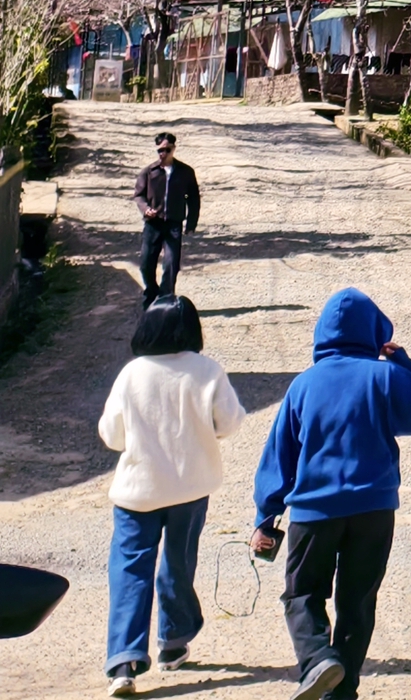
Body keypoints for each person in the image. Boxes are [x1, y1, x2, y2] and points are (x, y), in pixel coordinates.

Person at [250, 289, 411, 700]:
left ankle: (318, 660)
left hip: (314, 511)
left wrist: (267, 514)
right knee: (358, 601)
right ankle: (342, 689)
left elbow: (280, 453)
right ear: (374, 332)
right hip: (374, 508)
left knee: (303, 593)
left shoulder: (304, 385)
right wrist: (402, 363)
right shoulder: (384, 377)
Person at [98, 296, 243, 695]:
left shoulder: (132, 375)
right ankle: (173, 642)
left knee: (130, 570)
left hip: (137, 492)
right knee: (177, 563)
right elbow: (229, 422)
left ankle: (123, 661)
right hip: (190, 488)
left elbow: (112, 435)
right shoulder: (207, 371)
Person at [131, 133, 200, 303]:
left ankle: (166, 297)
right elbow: (138, 195)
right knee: (146, 263)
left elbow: (193, 199)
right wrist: (146, 209)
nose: (163, 153)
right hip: (153, 224)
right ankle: (151, 293)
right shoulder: (149, 172)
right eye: (160, 150)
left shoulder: (185, 172)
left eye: (167, 150)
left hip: (173, 224)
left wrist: (191, 223)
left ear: (174, 149)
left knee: (171, 264)